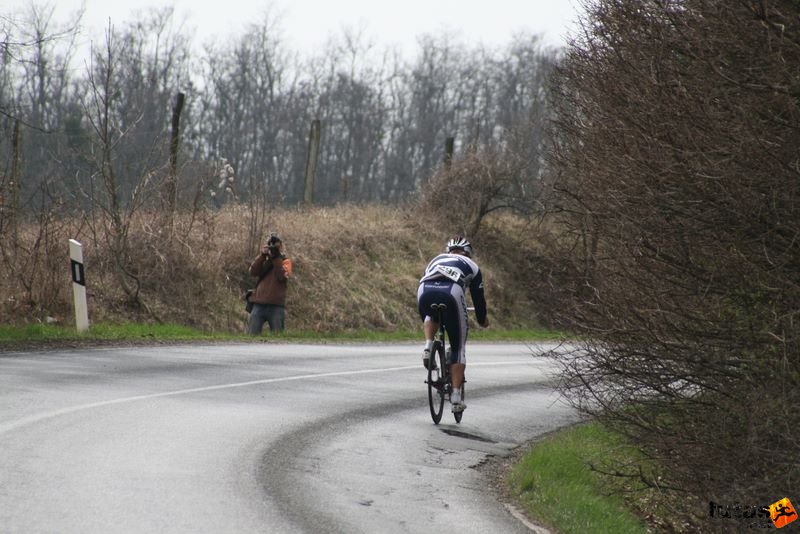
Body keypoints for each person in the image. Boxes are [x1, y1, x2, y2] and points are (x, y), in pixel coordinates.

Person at [417, 235, 489, 413]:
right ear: (468, 253)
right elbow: (478, 300)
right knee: (458, 347)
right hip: (452, 293)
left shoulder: (436, 259)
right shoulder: (472, 266)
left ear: (448, 250)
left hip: (424, 291)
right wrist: (482, 320)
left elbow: (427, 277)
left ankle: (428, 345)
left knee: (431, 314)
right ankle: (456, 397)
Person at [248, 233, 293, 334]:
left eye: (276, 246)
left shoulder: (285, 261)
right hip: (259, 303)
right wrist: (262, 256)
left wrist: (276, 258)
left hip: (276, 305)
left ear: (281, 247)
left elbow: (282, 277)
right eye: (271, 245)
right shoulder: (264, 259)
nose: (273, 248)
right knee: (252, 336)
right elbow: (253, 272)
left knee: (278, 338)